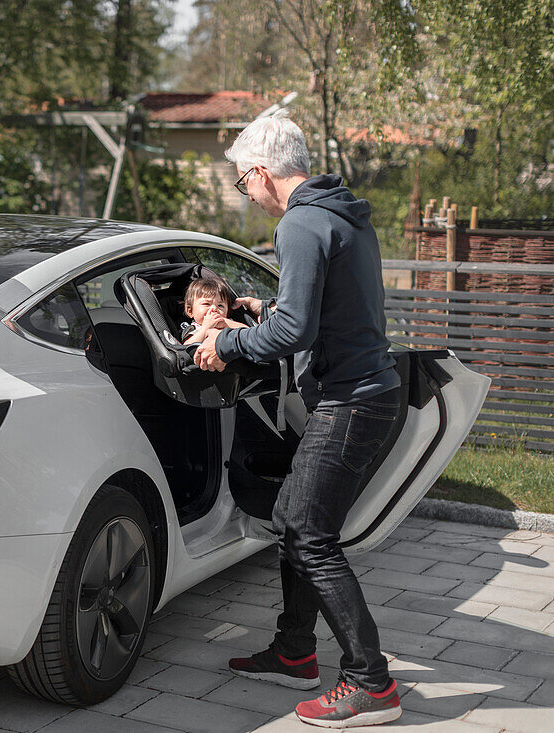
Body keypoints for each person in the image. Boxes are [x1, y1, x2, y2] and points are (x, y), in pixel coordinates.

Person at [193, 110, 403, 728]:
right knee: (294, 520)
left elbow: (293, 331)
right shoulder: (341, 215)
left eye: (241, 182)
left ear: (260, 172)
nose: (246, 193)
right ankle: (294, 651)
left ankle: (371, 683)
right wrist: (255, 305)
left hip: (349, 400)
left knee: (310, 536)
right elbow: (314, 306)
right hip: (366, 392)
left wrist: (222, 347)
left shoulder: (301, 224)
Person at [179, 276, 247, 345]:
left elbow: (250, 334)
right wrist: (206, 328)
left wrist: (228, 323)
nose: (214, 309)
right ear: (190, 311)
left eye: (220, 306)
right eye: (207, 304)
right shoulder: (194, 329)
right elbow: (186, 346)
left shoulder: (229, 324)